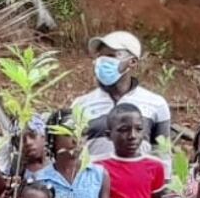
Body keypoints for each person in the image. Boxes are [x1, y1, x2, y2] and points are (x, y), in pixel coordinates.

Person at [71, 31, 171, 162]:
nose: (102, 62)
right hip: (95, 181)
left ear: (132, 62)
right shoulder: (81, 105)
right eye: (100, 56)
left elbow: (163, 155)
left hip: (138, 181)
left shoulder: (156, 104)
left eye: (111, 56)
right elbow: (72, 153)